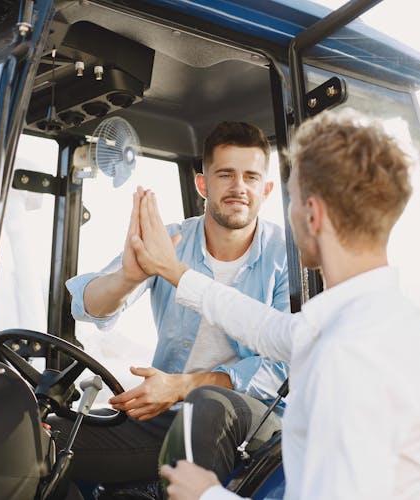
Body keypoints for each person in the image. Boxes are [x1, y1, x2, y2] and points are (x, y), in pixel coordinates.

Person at [131, 109, 420, 499]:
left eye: (293, 199)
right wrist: (176, 271)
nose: (289, 214)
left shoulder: (352, 351)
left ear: (313, 214)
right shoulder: (362, 320)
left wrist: (208, 495)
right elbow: (263, 326)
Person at [51, 122, 289, 486]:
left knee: (207, 405)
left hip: (260, 422)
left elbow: (280, 366)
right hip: (171, 414)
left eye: (251, 177)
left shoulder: (288, 257)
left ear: (266, 189)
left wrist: (182, 386)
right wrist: (127, 278)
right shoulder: (172, 240)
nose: (239, 187)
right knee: (46, 441)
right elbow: (86, 306)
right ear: (202, 184)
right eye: (225, 174)